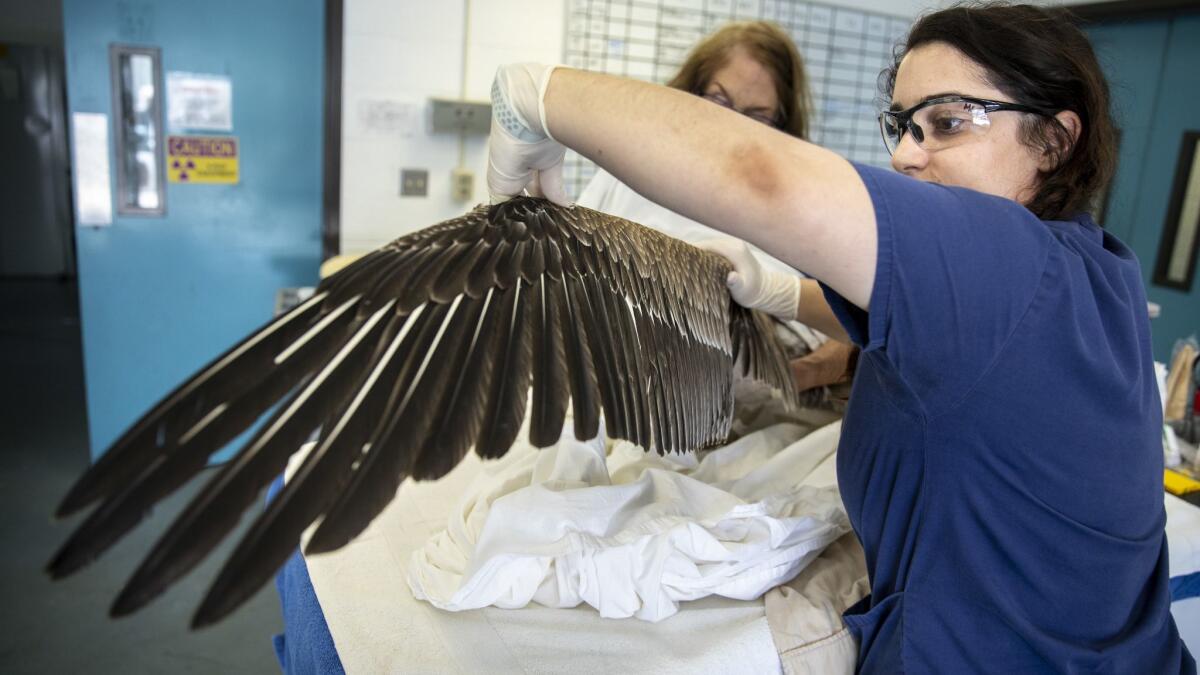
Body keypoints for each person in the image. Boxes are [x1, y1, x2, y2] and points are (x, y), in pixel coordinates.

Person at [486, 2, 1194, 672]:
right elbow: (937, 331)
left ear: (1054, 139)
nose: (911, 156)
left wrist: (537, 94)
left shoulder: (1006, 257)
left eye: (948, 123)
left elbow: (754, 173)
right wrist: (780, 290)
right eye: (906, 126)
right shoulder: (1091, 265)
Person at [575, 20, 856, 398]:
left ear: (782, 125)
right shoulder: (626, 171)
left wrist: (816, 367)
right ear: (690, 93)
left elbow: (860, 321)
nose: (729, 125)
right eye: (717, 102)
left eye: (756, 117)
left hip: (754, 391)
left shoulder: (802, 204)